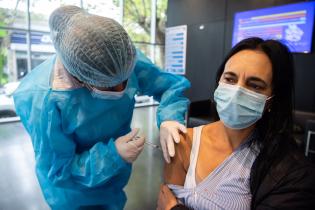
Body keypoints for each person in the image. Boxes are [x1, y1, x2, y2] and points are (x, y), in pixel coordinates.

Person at [13, 5, 190, 210]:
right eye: (108, 85)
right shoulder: (42, 100)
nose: (121, 89)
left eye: (126, 80)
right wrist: (113, 155)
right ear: (80, 77)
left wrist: (170, 117)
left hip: (113, 182)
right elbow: (59, 170)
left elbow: (168, 85)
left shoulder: (120, 57)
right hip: (72, 196)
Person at [157, 37, 315, 210]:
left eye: (255, 86)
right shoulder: (184, 142)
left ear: (272, 100)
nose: (237, 92)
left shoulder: (287, 170)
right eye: (230, 79)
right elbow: (164, 201)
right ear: (219, 81)